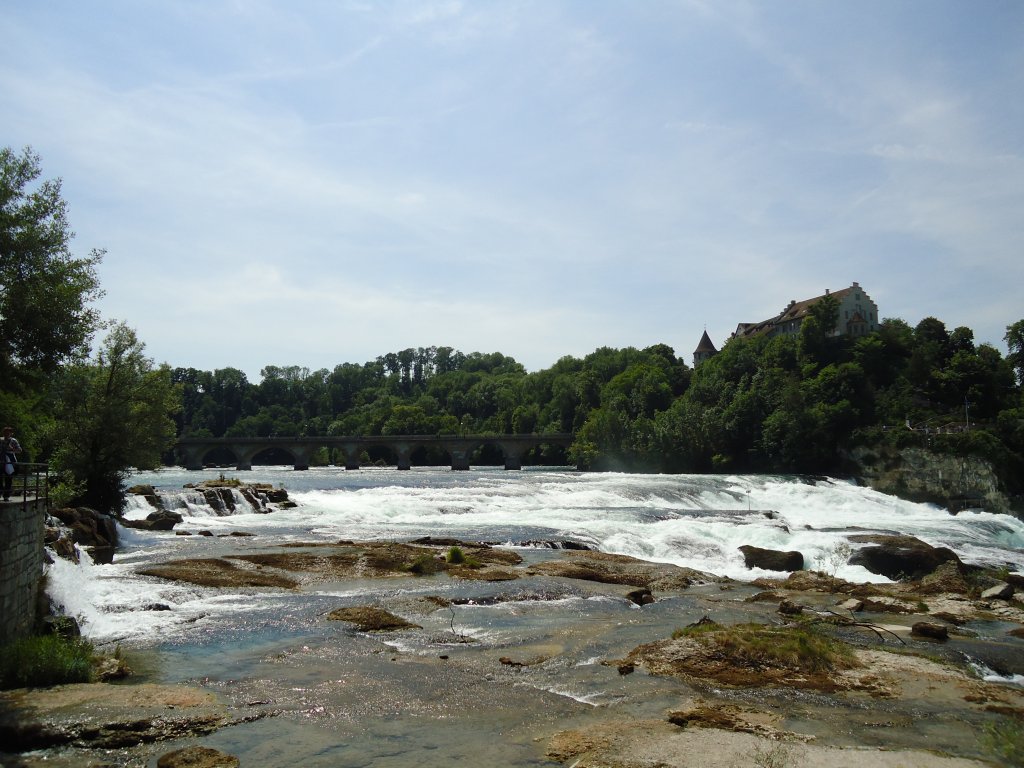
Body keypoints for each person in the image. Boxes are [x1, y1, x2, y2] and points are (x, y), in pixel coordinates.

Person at [2, 426, 22, 501]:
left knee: (8, 478)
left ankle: (6, 495)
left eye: (8, 432)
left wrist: (11, 448)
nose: (6, 434)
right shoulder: (0, 440)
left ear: (11, 433)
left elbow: (19, 450)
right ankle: (2, 491)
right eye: (5, 432)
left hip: (10, 461)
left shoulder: (13, 440)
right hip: (1, 460)